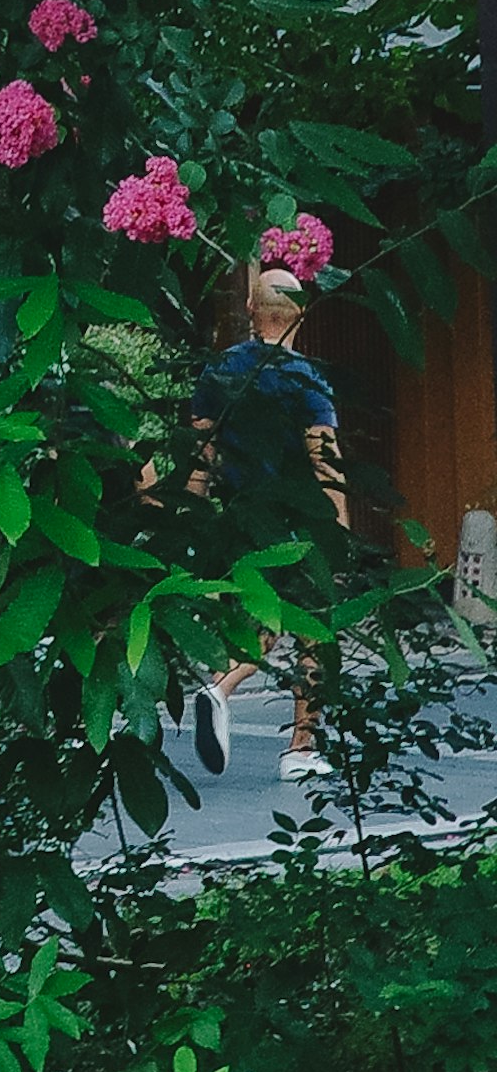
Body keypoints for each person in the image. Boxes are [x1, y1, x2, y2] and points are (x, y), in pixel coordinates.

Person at [187, 258, 347, 771]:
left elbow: (201, 453)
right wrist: (339, 527)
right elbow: (325, 458)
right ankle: (289, 738)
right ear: (301, 313)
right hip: (298, 520)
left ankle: (235, 698)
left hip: (239, 514)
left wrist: (190, 517)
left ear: (251, 308)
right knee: (311, 627)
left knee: (268, 614)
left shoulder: (218, 372)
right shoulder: (306, 379)